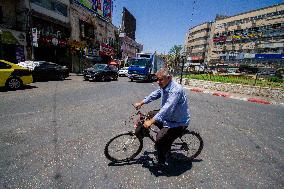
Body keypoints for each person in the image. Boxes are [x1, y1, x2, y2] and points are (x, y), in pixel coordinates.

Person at [134, 67, 190, 166]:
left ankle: (162, 162)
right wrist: (142, 102)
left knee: (159, 140)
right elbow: (155, 94)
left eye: (160, 79)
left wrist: (152, 121)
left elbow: (167, 108)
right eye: (157, 79)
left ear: (169, 78)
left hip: (177, 122)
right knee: (150, 114)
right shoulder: (164, 86)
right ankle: (147, 134)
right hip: (168, 116)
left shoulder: (176, 90)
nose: (158, 82)